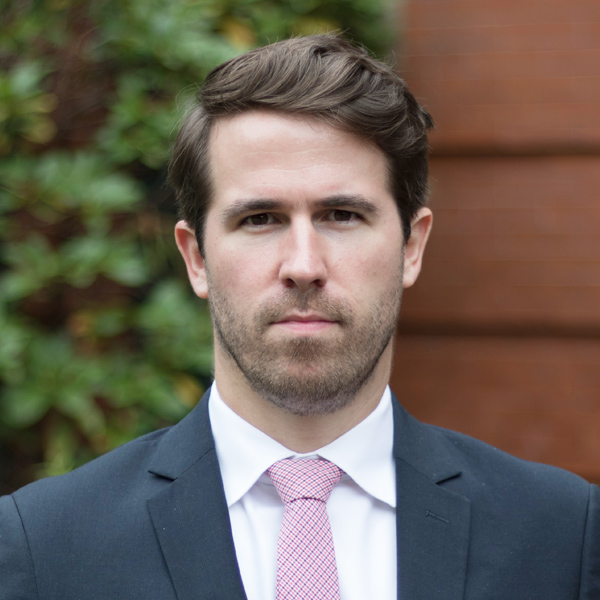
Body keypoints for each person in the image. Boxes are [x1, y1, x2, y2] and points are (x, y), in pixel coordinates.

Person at [0, 34, 598, 600]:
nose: (304, 265)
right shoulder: (45, 546)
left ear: (410, 248)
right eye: (259, 219)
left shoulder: (561, 537)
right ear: (196, 258)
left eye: (341, 215)